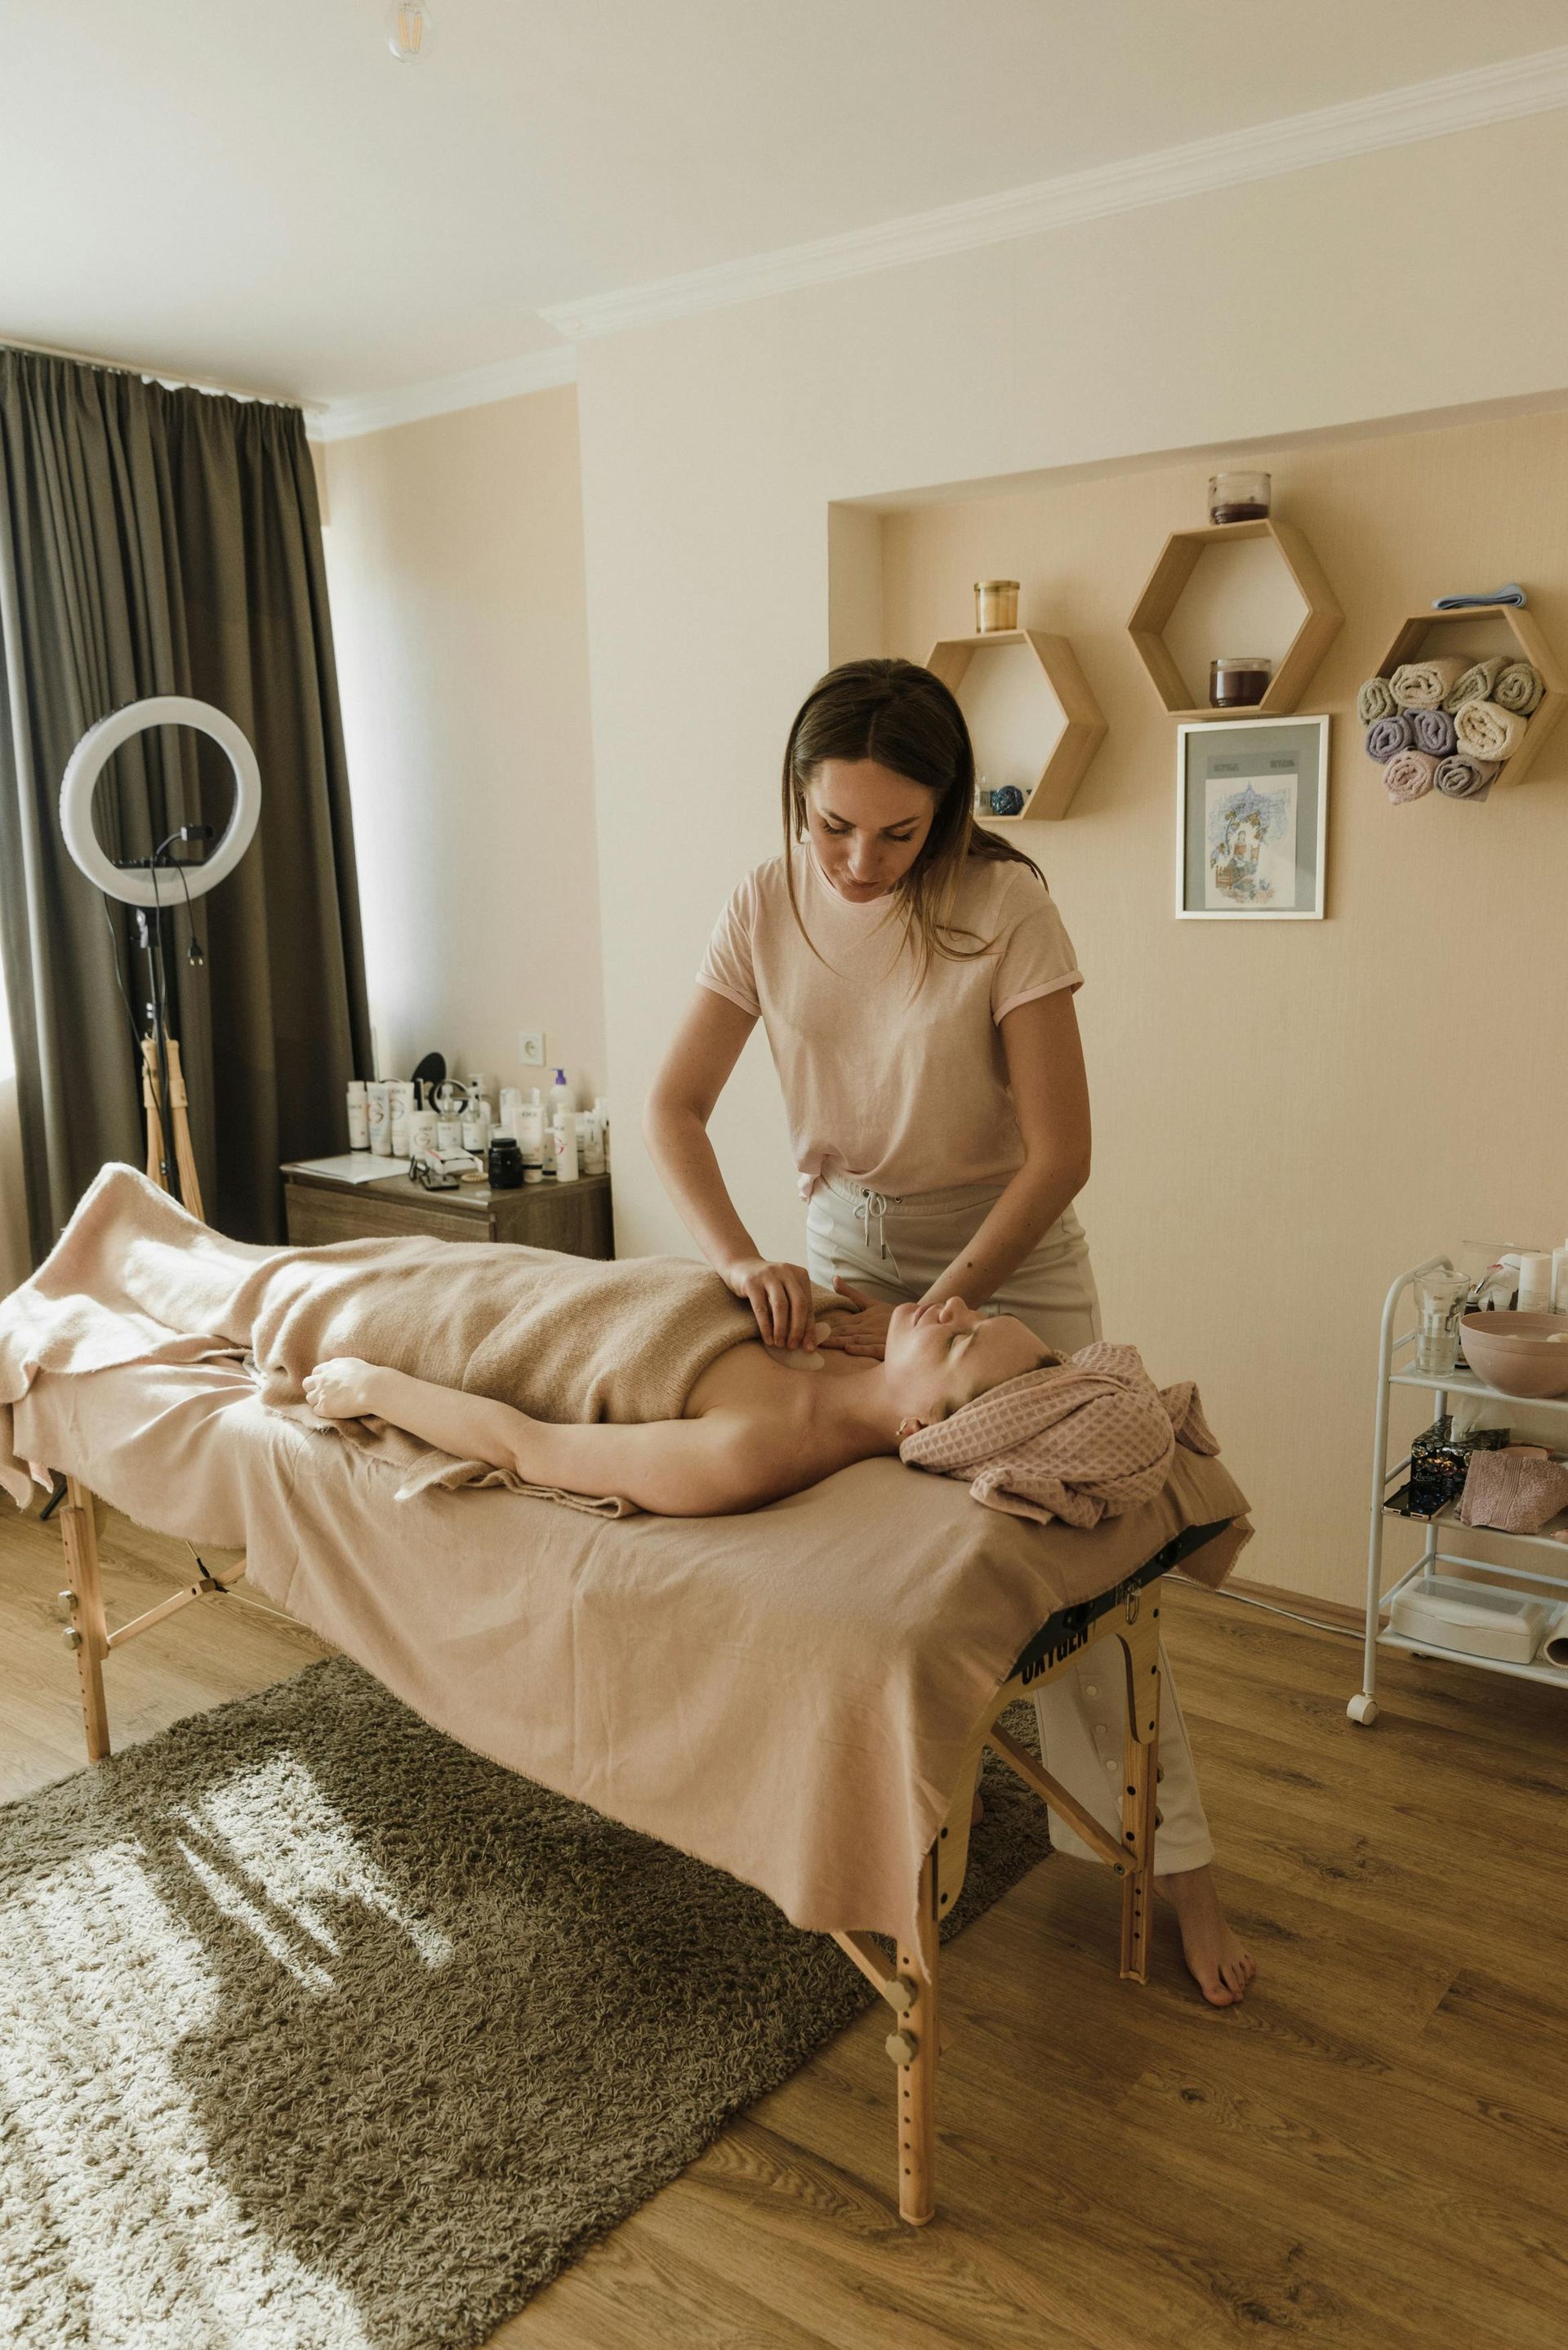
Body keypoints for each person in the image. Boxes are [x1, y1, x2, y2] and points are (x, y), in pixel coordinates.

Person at [643, 658, 1255, 2007]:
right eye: (833, 827)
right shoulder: (762, 900)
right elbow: (675, 1106)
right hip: (844, 1245)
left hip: (1011, 1259)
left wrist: (961, 1292)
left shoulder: (1002, 903)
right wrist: (744, 1260)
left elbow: (1062, 1150)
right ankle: (867, 1825)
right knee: (854, 1566)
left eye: (898, 833)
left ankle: (1178, 1867)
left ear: (949, 814)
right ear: (795, 806)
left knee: (1085, 1577)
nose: (861, 862)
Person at [303, 1293, 1046, 1515]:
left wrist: (374, 1386)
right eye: (979, 1316)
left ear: (919, 1430)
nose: (952, 1307)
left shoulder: (752, 1449)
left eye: (958, 1344)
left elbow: (530, 1447)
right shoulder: (857, 1327)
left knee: (276, 1291)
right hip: (537, 1281)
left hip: (467, 1329)